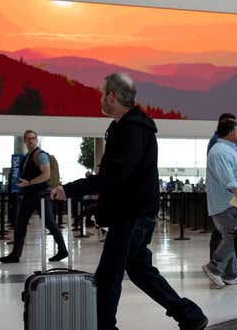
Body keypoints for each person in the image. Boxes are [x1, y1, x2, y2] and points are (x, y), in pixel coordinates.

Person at [50, 73, 208, 330]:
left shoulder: (133, 130)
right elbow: (118, 176)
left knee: (109, 276)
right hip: (134, 211)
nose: (101, 99)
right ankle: (190, 315)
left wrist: (70, 189)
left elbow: (116, 176)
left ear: (112, 96)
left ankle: (105, 326)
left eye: (103, 94)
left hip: (131, 214)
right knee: (139, 270)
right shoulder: (125, 127)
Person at [202, 119, 237, 288]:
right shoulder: (219, 151)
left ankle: (230, 274)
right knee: (235, 236)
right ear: (231, 133)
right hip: (231, 203)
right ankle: (214, 268)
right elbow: (226, 174)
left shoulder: (227, 150)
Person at [0, 130, 68, 263]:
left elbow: (46, 174)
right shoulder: (28, 157)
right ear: (24, 141)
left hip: (40, 195)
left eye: (33, 138)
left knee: (49, 223)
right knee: (20, 224)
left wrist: (29, 182)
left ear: (36, 140)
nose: (31, 141)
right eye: (28, 139)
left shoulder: (40, 155)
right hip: (30, 195)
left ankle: (63, 249)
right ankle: (15, 254)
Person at [206, 113, 237, 261]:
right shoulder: (217, 146)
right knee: (223, 234)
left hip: (235, 196)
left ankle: (230, 269)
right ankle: (216, 265)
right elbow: (223, 170)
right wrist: (235, 188)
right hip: (224, 197)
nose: (236, 130)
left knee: (235, 232)